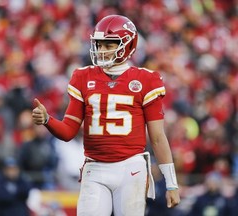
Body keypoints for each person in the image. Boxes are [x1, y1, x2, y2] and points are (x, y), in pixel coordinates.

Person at [32, 14, 180, 216]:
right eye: (99, 44)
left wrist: (171, 183)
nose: (102, 50)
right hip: (95, 167)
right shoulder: (82, 76)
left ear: (128, 45)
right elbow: (68, 132)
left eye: (109, 45)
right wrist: (47, 120)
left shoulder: (146, 80)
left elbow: (157, 137)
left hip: (131, 168)